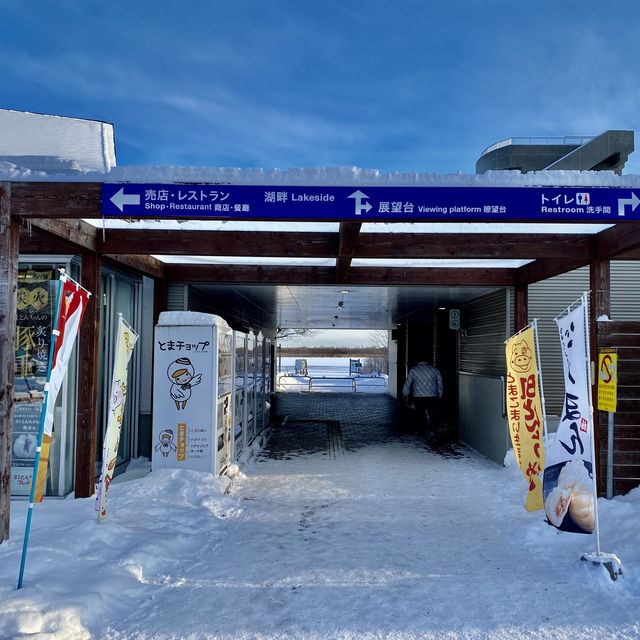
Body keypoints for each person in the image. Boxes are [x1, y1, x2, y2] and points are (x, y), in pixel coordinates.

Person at [402, 361, 443, 441]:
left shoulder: (414, 370)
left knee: (420, 414)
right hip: (432, 395)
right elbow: (440, 383)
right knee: (433, 414)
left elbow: (408, 383)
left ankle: (421, 430)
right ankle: (432, 431)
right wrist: (440, 394)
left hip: (419, 396)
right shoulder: (434, 369)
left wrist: (405, 394)